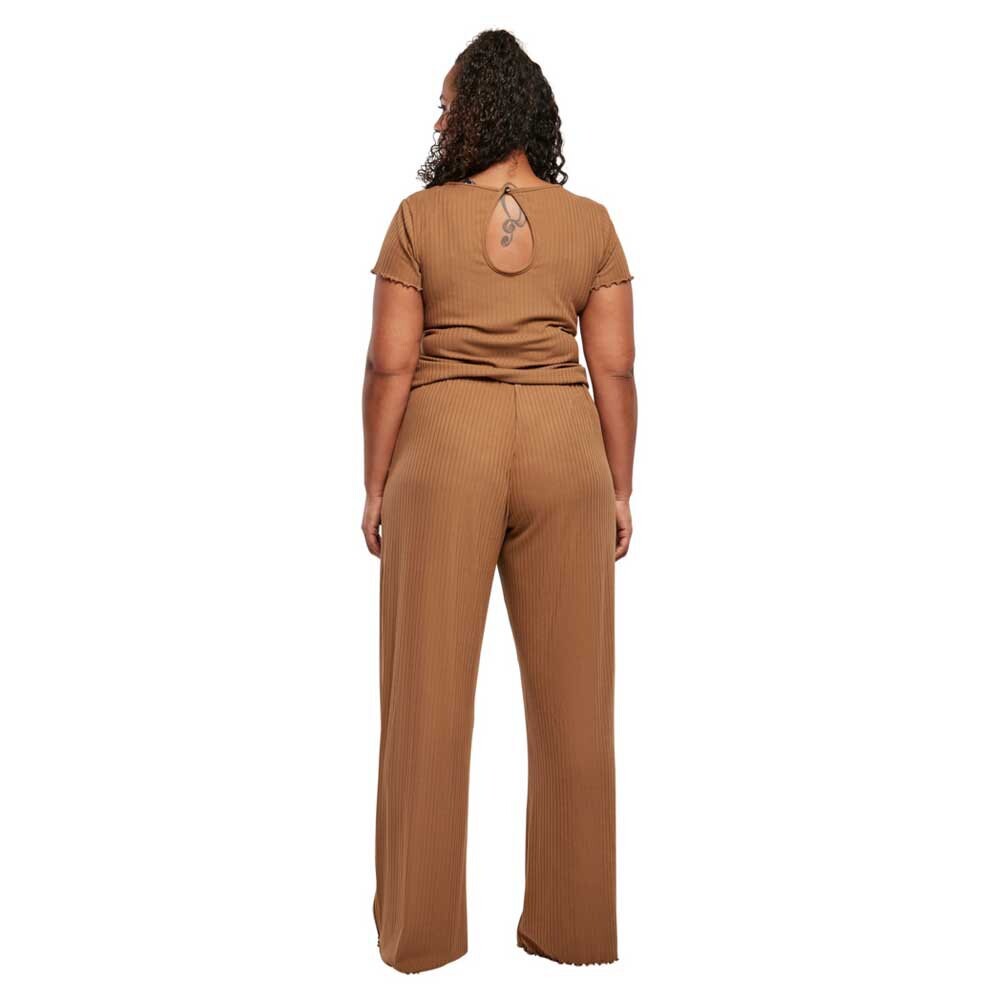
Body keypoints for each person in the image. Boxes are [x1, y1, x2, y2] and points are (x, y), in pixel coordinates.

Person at [361, 29, 637, 974]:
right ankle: (573, 930)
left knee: (426, 703)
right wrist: (620, 485)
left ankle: (421, 940)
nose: (439, 120)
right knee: (577, 710)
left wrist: (375, 481)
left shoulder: (418, 218)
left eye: (446, 105)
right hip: (567, 447)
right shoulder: (592, 224)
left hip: (445, 448)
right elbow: (615, 369)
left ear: (473, 113)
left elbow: (389, 364)